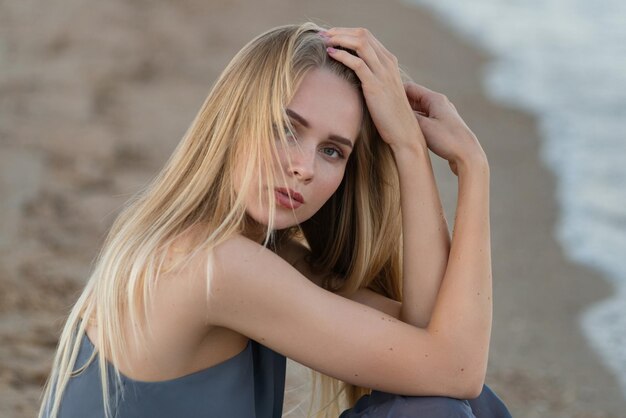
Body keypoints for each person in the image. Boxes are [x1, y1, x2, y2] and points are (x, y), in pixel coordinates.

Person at [39, 22, 512, 418]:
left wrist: (412, 150)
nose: (304, 166)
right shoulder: (213, 265)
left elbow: (436, 342)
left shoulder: (264, 253)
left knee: (453, 406)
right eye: (286, 129)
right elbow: (457, 369)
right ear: (234, 120)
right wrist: (472, 169)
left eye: (332, 151)